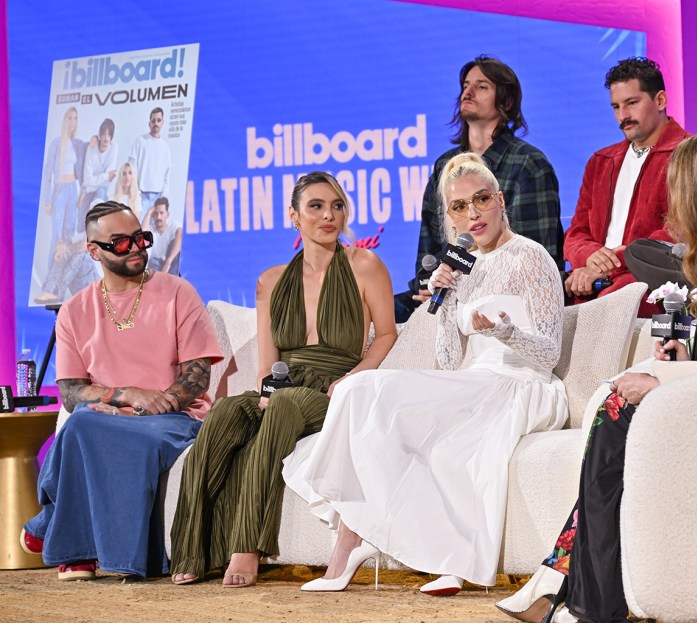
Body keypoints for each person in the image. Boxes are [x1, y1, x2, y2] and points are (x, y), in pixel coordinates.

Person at [496, 129, 697, 623]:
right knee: (619, 407)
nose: (673, 205)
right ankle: (564, 585)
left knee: (615, 412)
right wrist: (685, 357)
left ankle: (585, 600)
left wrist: (662, 382)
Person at [282, 152, 568, 596]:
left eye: (481, 199)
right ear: (449, 219)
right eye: (459, 207)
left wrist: (508, 332)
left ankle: (411, 552)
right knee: (360, 390)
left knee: (427, 429)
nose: (473, 214)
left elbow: (549, 353)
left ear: (500, 201)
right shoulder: (464, 266)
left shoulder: (530, 257)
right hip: (476, 381)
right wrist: (446, 299)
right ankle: (353, 535)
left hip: (524, 383)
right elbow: (450, 361)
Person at [169, 171, 397, 587]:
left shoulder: (363, 264)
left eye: (337, 206)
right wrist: (261, 396)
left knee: (286, 405)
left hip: (333, 387)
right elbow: (267, 360)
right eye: (316, 206)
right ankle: (192, 548)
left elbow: (385, 334)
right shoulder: (271, 281)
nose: (328, 215)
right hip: (284, 382)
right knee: (225, 411)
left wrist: (350, 379)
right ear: (294, 215)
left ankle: (248, 546)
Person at [20, 201, 222, 581]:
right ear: (93, 250)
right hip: (108, 418)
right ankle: (73, 543)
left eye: (140, 238)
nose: (137, 248)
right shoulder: (75, 310)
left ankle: (57, 530)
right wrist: (127, 396)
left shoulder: (178, 292)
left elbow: (197, 376)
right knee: (81, 421)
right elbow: (71, 392)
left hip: (175, 420)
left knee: (84, 427)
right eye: (121, 243)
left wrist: (147, 410)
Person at [393, 55, 563, 322]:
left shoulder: (529, 164)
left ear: (506, 101)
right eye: (465, 85)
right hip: (447, 285)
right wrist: (433, 280)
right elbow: (430, 244)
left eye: (482, 87)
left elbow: (533, 255)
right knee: (383, 310)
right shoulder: (445, 167)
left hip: (505, 292)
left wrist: (458, 278)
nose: (468, 92)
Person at [563, 58, 689, 315]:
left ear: (660, 100)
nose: (623, 116)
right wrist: (590, 257)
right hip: (597, 273)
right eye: (616, 107)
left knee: (613, 301)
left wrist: (610, 263)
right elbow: (576, 233)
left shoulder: (689, 154)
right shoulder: (601, 162)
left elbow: (679, 231)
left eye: (632, 103)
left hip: (653, 276)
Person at [33, 107, 86, 304]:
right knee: (57, 238)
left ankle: (60, 287)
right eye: (69, 118)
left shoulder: (77, 144)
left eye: (75, 118)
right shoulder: (56, 144)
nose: (72, 121)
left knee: (69, 237)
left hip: (73, 190)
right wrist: (47, 200)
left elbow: (82, 166)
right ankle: (48, 285)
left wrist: (81, 192)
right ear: (65, 120)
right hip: (59, 191)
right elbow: (48, 173)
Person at [128, 107, 171, 212]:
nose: (156, 123)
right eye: (153, 120)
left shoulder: (165, 148)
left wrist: (164, 197)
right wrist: (136, 193)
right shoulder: (140, 142)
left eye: (159, 120)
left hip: (158, 198)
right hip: (141, 196)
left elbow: (167, 174)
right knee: (139, 228)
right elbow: (131, 168)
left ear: (162, 122)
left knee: (154, 228)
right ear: (149, 123)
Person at [143, 196, 182, 274]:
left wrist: (169, 261)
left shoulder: (173, 225)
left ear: (167, 214)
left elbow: (180, 234)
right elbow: (141, 234)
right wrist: (148, 213)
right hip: (154, 264)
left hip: (170, 263)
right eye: (156, 214)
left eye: (161, 213)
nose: (158, 217)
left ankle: (171, 280)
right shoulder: (150, 229)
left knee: (177, 245)